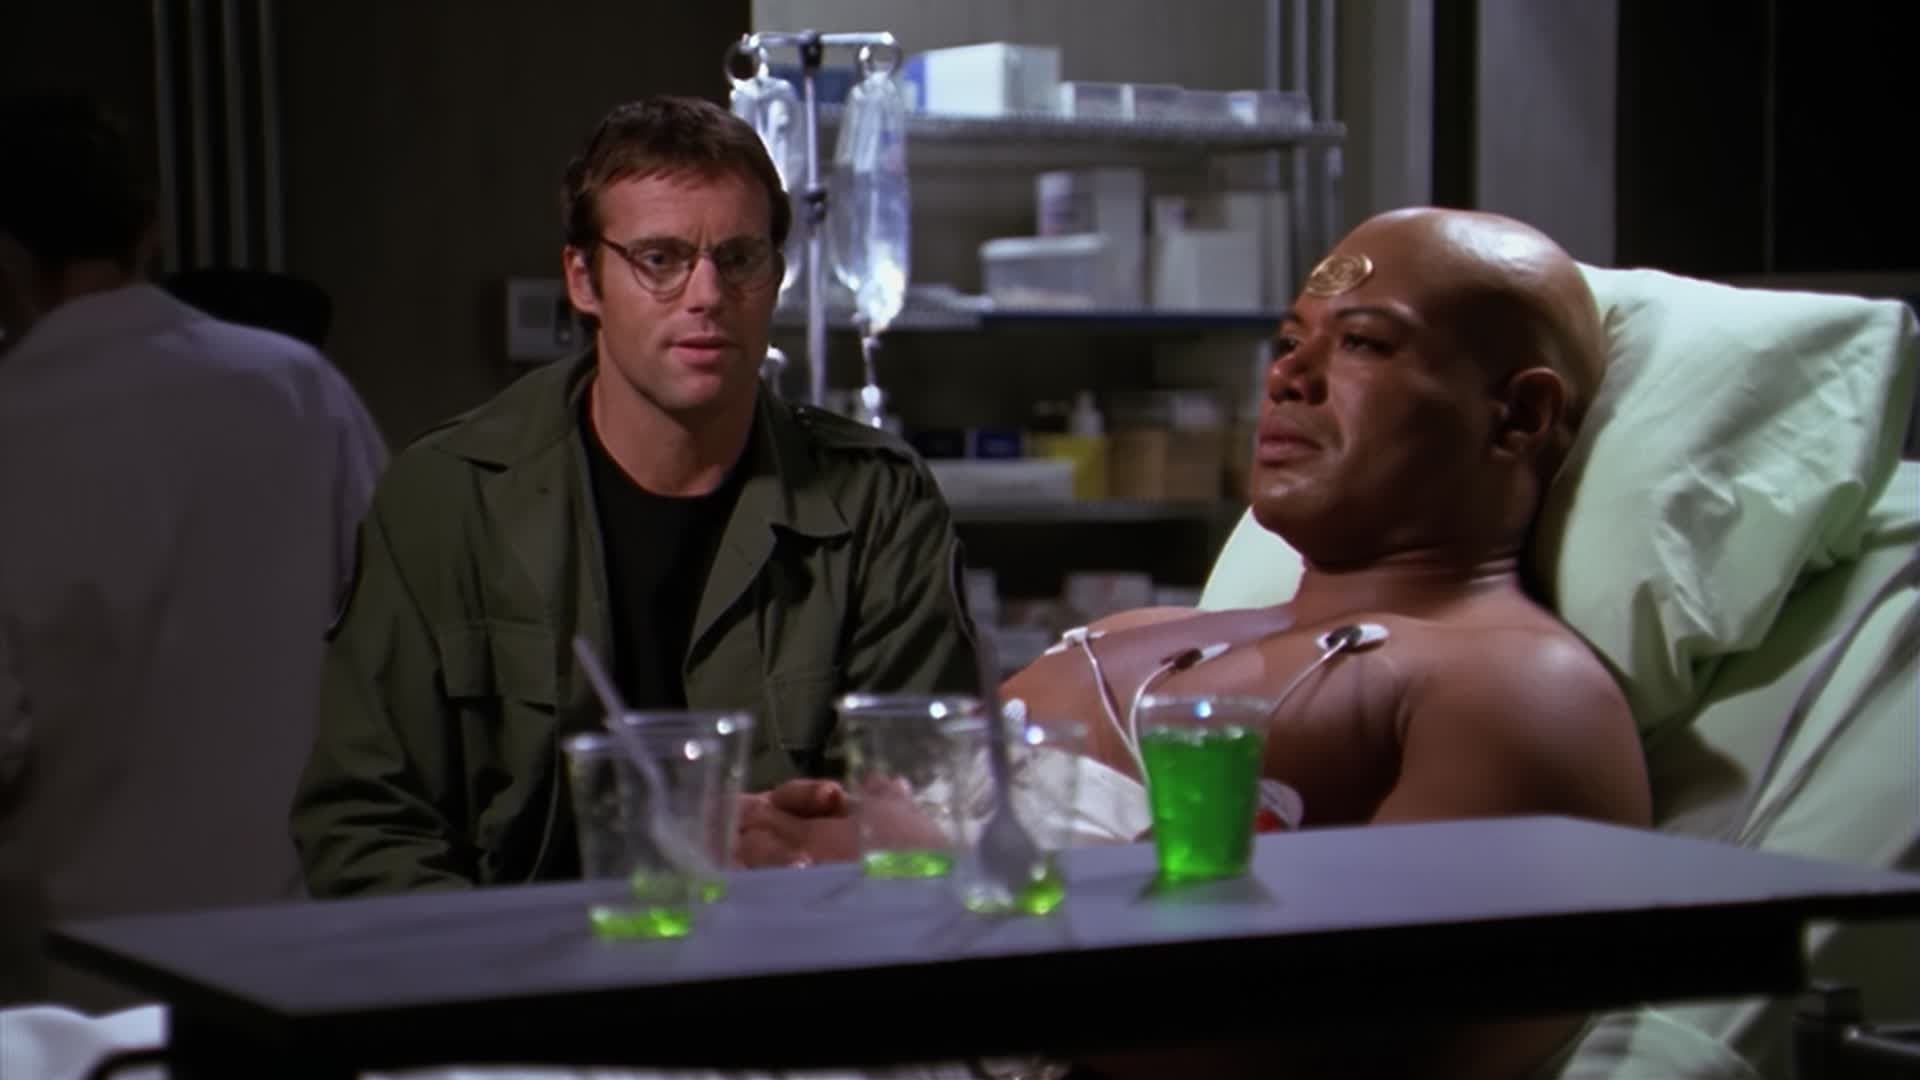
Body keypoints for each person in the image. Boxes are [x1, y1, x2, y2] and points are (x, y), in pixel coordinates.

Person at [736, 207, 1654, 1080]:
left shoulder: (1510, 685)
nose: (1287, 377)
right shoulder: (1136, 633)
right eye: (1290, 341)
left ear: (1517, 416)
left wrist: (933, 896)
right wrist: (803, 838)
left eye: (1365, 343)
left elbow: (1372, 1044)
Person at [289, 95, 982, 898]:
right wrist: (495, 967)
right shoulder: (449, 499)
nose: (706, 294)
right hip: (513, 962)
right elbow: (366, 825)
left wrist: (808, 844)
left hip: (793, 953)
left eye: (740, 258)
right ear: (584, 280)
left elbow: (932, 808)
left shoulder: (876, 503)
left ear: (776, 274)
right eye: (660, 259)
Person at [0, 90, 388, 1010]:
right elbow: (406, 648)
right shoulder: (299, 389)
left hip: (72, 987)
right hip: (297, 962)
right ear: (151, 228)